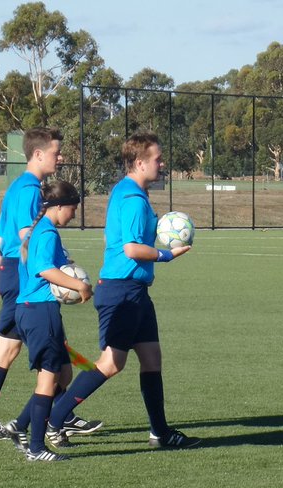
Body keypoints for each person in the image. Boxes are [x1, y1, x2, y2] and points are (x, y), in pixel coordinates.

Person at [46, 131, 201, 450]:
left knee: (151, 358)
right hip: (121, 291)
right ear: (140, 162)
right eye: (158, 158)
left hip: (136, 292)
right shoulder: (131, 198)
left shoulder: (131, 193)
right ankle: (54, 418)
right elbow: (131, 248)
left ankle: (160, 433)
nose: (162, 162)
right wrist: (166, 254)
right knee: (111, 363)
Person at [0, 128, 102, 443]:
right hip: (24, 275)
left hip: (10, 272)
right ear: (38, 154)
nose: (61, 157)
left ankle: (17, 420)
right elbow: (24, 238)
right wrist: (63, 269)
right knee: (45, 358)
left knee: (11, 348)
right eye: (57, 152)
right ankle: (52, 418)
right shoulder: (31, 191)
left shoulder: (16, 187)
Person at [13, 181, 92, 461]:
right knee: (47, 380)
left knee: (63, 374)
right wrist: (79, 286)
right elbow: (43, 269)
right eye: (72, 209)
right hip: (39, 310)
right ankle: (36, 448)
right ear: (59, 206)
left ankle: (20, 426)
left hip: (33, 310)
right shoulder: (46, 232)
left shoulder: (42, 230)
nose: (73, 214)